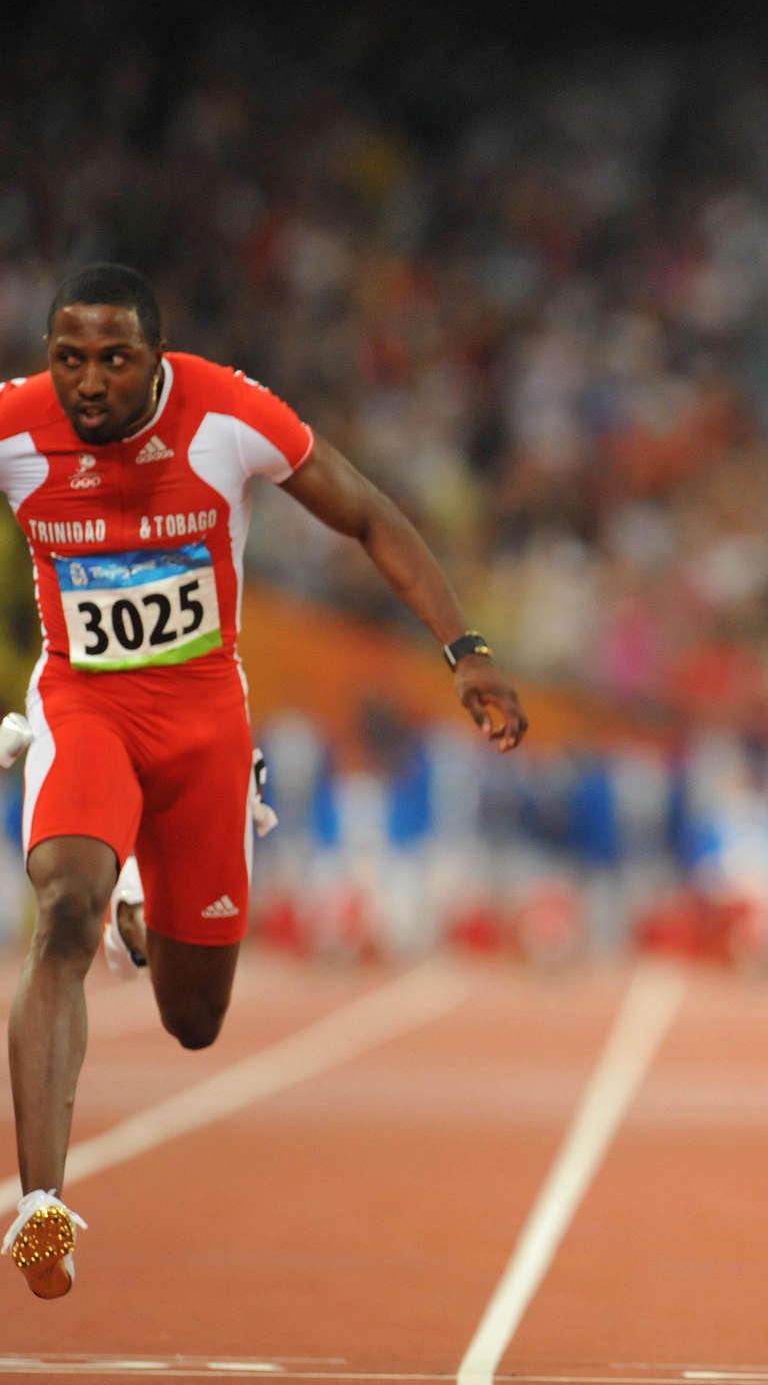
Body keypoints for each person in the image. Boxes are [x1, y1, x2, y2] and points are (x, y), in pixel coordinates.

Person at [1, 263, 529, 1299]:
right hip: (83, 704)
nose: (90, 383)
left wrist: (464, 650)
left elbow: (368, 515)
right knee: (60, 908)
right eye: (70, 359)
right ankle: (42, 1207)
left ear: (158, 358)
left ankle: (140, 910)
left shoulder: (229, 414)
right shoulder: (17, 425)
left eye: (115, 359)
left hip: (203, 724)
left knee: (194, 1020)